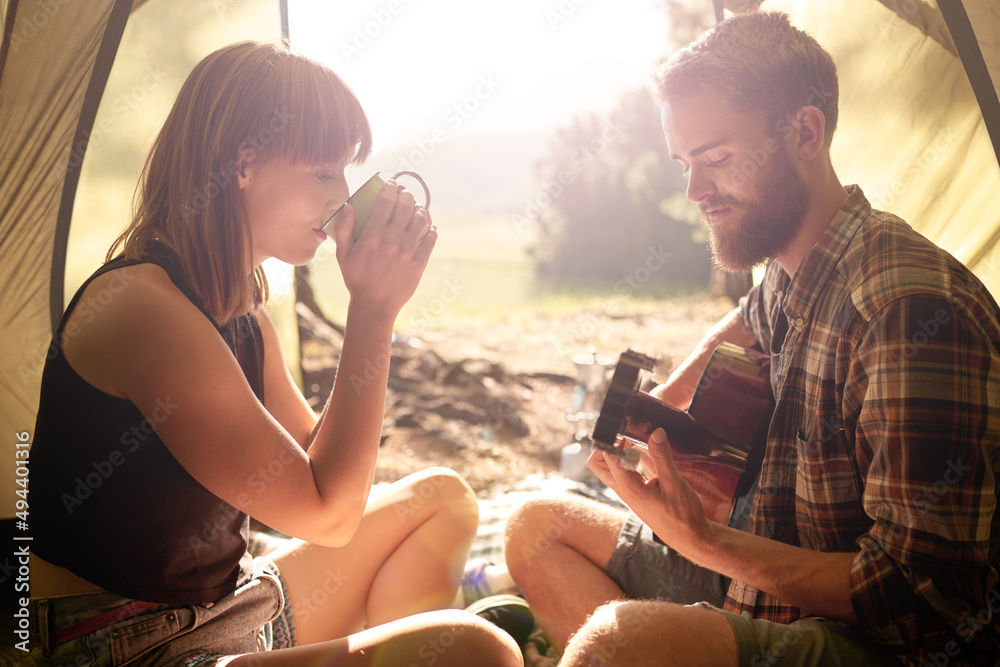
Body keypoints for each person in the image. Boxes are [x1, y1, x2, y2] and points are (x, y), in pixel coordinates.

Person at [501, 11, 1000, 667]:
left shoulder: (908, 312)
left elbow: (917, 594)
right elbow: (746, 320)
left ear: (804, 132)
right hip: (760, 567)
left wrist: (705, 541)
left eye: (717, 159)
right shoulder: (794, 268)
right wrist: (661, 416)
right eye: (685, 163)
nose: (694, 190)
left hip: (875, 639)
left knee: (618, 644)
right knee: (534, 528)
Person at [27, 41, 521, 667]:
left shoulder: (243, 312)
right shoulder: (141, 310)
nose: (341, 198)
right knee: (479, 652)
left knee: (443, 500)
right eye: (322, 173)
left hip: (232, 610)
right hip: (128, 647)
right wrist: (372, 312)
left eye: (345, 173)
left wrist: (375, 301)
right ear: (243, 163)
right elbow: (328, 516)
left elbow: (315, 464)